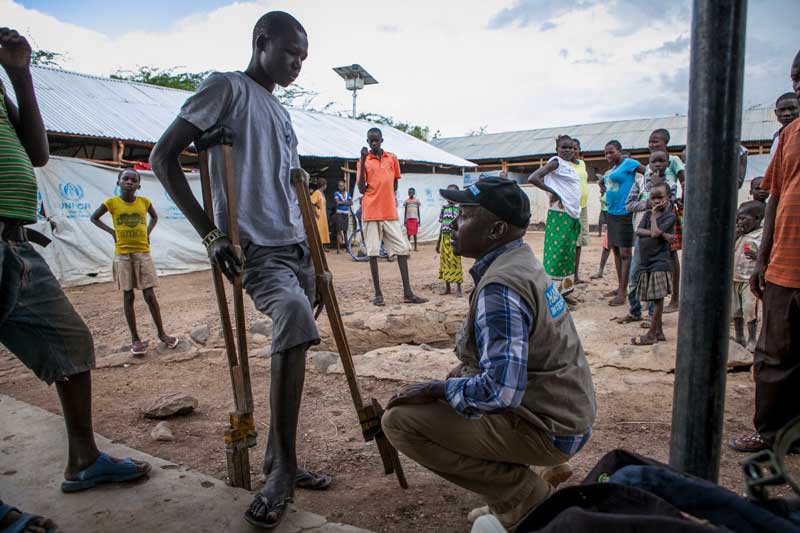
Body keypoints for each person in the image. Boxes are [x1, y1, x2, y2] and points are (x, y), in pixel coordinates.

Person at [150, 12, 331, 528]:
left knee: (299, 329)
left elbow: (290, 189)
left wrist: (315, 258)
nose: (297, 64)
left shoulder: (280, 109)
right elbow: (164, 157)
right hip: (256, 249)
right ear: (261, 42)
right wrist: (210, 234)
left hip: (296, 246)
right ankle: (280, 468)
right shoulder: (225, 88)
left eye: (303, 57)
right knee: (294, 317)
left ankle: (282, 461)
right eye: (291, 52)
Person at [382, 177, 596, 531]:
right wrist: (457, 378)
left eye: (464, 215)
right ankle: (530, 475)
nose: (452, 224)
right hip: (566, 415)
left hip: (548, 428)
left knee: (400, 421)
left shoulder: (501, 288)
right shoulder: (521, 262)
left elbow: (500, 391)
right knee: (454, 389)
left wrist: (436, 390)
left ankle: (522, 495)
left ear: (496, 228)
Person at [0, 27, 150, 512]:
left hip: (15, 244)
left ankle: (83, 459)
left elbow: (38, 153)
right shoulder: (112, 202)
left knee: (73, 344)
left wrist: (20, 75)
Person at [730, 49, 800, 454]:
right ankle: (771, 431)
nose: (799, 84)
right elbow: (774, 197)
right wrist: (766, 257)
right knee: (774, 355)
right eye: (794, 78)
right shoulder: (789, 136)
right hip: (787, 264)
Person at [91, 169, 179, 355]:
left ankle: (162, 334)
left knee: (149, 295)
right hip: (123, 255)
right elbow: (94, 218)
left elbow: (154, 217)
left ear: (139, 185)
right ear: (119, 183)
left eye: (134, 180)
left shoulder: (144, 202)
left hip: (142, 254)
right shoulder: (112, 203)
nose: (129, 182)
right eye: (126, 179)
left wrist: (147, 232)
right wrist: (112, 232)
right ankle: (135, 339)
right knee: (128, 296)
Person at [357, 127, 427, 306]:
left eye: (376, 140)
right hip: (371, 213)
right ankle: (378, 294)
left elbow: (395, 182)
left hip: (389, 212)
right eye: (371, 140)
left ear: (381, 140)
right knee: (373, 252)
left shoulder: (392, 158)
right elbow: (361, 189)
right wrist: (364, 158)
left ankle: (408, 292)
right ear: (367, 142)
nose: (374, 143)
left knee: (403, 249)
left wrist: (385, 197)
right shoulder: (363, 161)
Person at [617, 151, 669, 325]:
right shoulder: (639, 183)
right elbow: (629, 205)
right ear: (648, 164)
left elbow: (673, 206)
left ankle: (653, 316)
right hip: (642, 238)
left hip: (661, 240)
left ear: (667, 164)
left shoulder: (671, 184)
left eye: (662, 161)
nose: (657, 165)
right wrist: (648, 203)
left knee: (655, 278)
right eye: (654, 161)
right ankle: (635, 310)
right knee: (635, 275)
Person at [527, 135, 582, 296]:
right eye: (564, 147)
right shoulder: (556, 162)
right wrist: (553, 192)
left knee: (567, 253)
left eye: (571, 147)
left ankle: (564, 292)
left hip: (570, 212)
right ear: (557, 149)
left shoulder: (569, 166)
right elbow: (533, 178)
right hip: (560, 213)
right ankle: (553, 295)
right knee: (557, 253)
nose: (568, 150)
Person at [630, 183, 676, 345]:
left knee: (657, 299)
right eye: (653, 198)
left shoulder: (669, 216)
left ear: (668, 198)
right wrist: (663, 235)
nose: (656, 201)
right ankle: (659, 332)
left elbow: (655, 232)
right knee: (653, 298)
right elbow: (639, 231)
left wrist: (655, 220)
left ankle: (651, 334)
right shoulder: (648, 214)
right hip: (647, 261)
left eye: (660, 197)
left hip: (659, 262)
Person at [603, 141, 647, 306]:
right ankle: (621, 286)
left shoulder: (629, 163)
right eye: (606, 153)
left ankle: (623, 293)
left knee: (625, 253)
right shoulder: (612, 170)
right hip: (612, 213)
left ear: (620, 151)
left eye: (611, 152)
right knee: (615, 251)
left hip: (625, 213)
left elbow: (647, 173)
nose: (608, 156)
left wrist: (643, 196)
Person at [647, 129, 686, 314]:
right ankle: (660, 295)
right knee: (659, 254)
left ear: (666, 142)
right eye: (651, 142)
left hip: (669, 212)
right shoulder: (649, 166)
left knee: (671, 255)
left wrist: (682, 200)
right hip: (655, 213)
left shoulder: (674, 161)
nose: (653, 144)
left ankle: (676, 298)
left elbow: (684, 182)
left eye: (656, 141)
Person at [731, 201, 764, 353]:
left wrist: (758, 257)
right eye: (738, 219)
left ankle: (752, 338)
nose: (739, 222)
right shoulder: (738, 234)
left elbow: (768, 255)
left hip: (750, 280)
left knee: (749, 309)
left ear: (756, 219)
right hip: (734, 278)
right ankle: (739, 337)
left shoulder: (761, 235)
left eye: (743, 219)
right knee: (736, 310)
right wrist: (735, 236)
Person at [436, 184, 463, 297]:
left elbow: (462, 226)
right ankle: (447, 287)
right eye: (448, 194)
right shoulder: (444, 209)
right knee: (445, 262)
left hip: (455, 239)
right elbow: (442, 226)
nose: (450, 197)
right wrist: (438, 242)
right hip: (444, 239)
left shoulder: (460, 209)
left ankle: (459, 288)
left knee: (455, 261)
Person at [570, 138, 590, 285]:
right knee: (569, 242)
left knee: (579, 242)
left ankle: (575, 275)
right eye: (571, 148)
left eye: (576, 148)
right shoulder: (563, 164)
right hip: (570, 208)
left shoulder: (582, 163)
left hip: (583, 207)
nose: (573, 151)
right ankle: (569, 275)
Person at [590, 174, 610, 280]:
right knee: (607, 246)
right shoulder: (605, 191)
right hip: (610, 213)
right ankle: (600, 270)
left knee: (623, 250)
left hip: (616, 214)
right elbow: (601, 181)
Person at [770, 92, 800, 158]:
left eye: (792, 109)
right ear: (776, 113)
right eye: (782, 110)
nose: (786, 113)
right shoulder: (776, 137)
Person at [309, 177, 330, 247]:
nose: (326, 186)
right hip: (319, 215)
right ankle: (317, 247)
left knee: (322, 230)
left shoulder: (321, 193)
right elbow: (311, 203)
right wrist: (316, 213)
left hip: (322, 215)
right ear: (323, 185)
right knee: (319, 231)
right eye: (326, 185)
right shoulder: (317, 193)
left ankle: (321, 247)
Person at [333, 179, 351, 254]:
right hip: (339, 214)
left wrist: (341, 203)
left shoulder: (348, 193)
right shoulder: (336, 193)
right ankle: (338, 249)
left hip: (345, 214)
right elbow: (337, 202)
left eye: (342, 186)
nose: (341, 187)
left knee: (345, 231)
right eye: (340, 186)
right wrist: (346, 202)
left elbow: (351, 202)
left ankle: (347, 248)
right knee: (339, 231)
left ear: (344, 186)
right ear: (338, 187)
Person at [403, 187, 421, 252]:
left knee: (415, 234)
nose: (410, 193)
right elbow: (405, 211)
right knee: (408, 234)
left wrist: (419, 220)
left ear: (414, 193)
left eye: (411, 192)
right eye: (409, 192)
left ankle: (415, 247)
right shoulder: (406, 201)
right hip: (408, 219)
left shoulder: (417, 201)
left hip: (415, 219)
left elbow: (418, 211)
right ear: (408, 193)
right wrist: (404, 220)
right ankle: (408, 247)